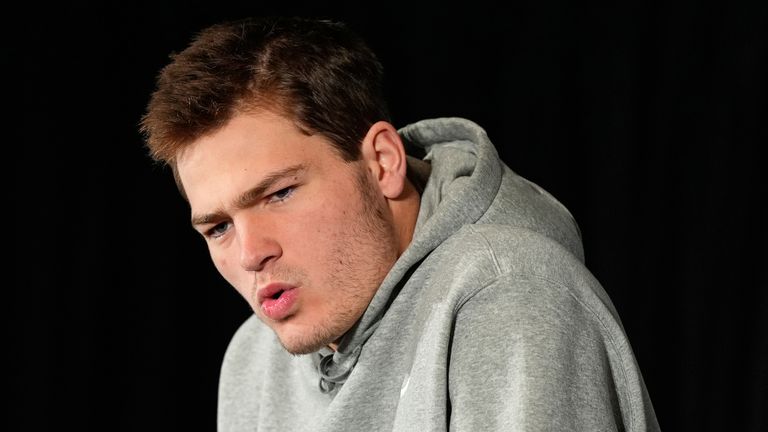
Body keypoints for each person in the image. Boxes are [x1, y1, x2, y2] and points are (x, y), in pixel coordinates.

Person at [140, 16, 660, 432]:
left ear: (382, 162)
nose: (251, 253)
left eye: (280, 194)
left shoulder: (511, 293)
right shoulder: (253, 361)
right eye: (218, 228)